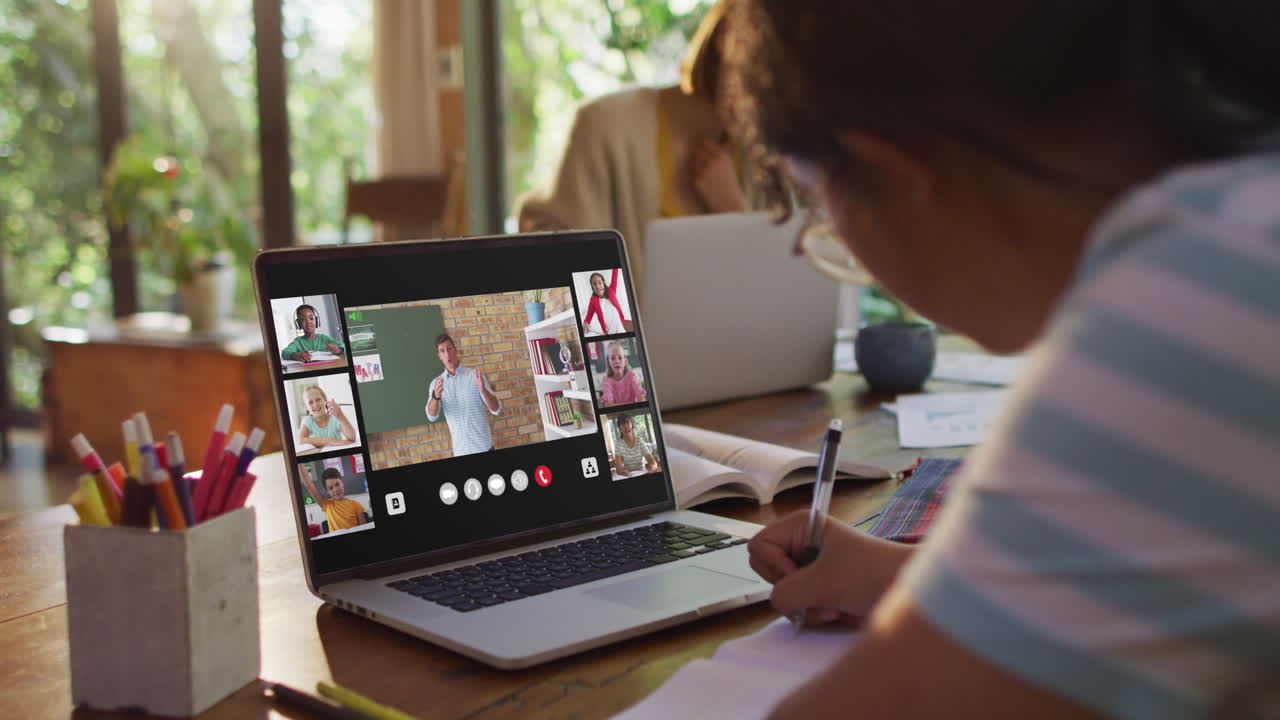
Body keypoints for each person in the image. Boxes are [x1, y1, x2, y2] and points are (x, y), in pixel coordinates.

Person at [727, 1, 1280, 718]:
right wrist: (921, 582)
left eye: (823, 213)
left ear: (893, 171)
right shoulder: (1246, 222)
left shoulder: (1203, 296)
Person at [514, 0, 759, 290]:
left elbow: (774, 286)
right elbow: (553, 254)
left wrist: (734, 211)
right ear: (729, 41)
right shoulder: (604, 124)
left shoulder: (768, 155)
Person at [425, 332, 502, 456]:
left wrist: (483, 390)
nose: (447, 354)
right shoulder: (436, 384)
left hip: (484, 447)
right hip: (461, 451)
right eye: (442, 351)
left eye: (449, 348)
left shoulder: (476, 376)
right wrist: (436, 397)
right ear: (439, 356)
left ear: (455, 350)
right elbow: (431, 416)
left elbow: (496, 409)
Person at [298, 464, 366, 532]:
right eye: (331, 488)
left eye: (337, 484)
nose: (335, 489)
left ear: (342, 483)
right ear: (327, 491)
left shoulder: (356, 505)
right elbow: (309, 484)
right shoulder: (326, 505)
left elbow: (364, 528)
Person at [298, 384, 357, 449]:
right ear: (306, 407)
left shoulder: (334, 418)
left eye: (318, 399)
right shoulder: (308, 421)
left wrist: (341, 416)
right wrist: (328, 441)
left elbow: (352, 437)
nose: (315, 404)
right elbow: (301, 441)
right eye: (310, 402)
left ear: (325, 401)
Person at [281, 304, 346, 362]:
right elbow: (284, 352)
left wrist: (338, 349)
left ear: (316, 320)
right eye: (303, 319)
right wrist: (296, 355)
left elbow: (343, 345)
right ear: (298, 323)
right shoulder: (298, 342)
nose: (308, 322)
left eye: (311, 318)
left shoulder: (324, 338)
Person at [582, 269, 633, 336]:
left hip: (621, 330)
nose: (597, 286)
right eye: (594, 284)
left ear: (603, 282)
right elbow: (587, 319)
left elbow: (615, 273)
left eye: (599, 282)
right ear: (592, 287)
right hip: (609, 333)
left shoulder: (611, 290)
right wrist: (585, 325)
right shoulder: (593, 301)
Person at [600, 340, 646, 407]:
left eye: (620, 358)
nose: (617, 361)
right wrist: (633, 403)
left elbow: (642, 400)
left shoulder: (632, 376)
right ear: (608, 362)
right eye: (612, 358)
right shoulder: (606, 381)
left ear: (625, 361)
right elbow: (609, 405)